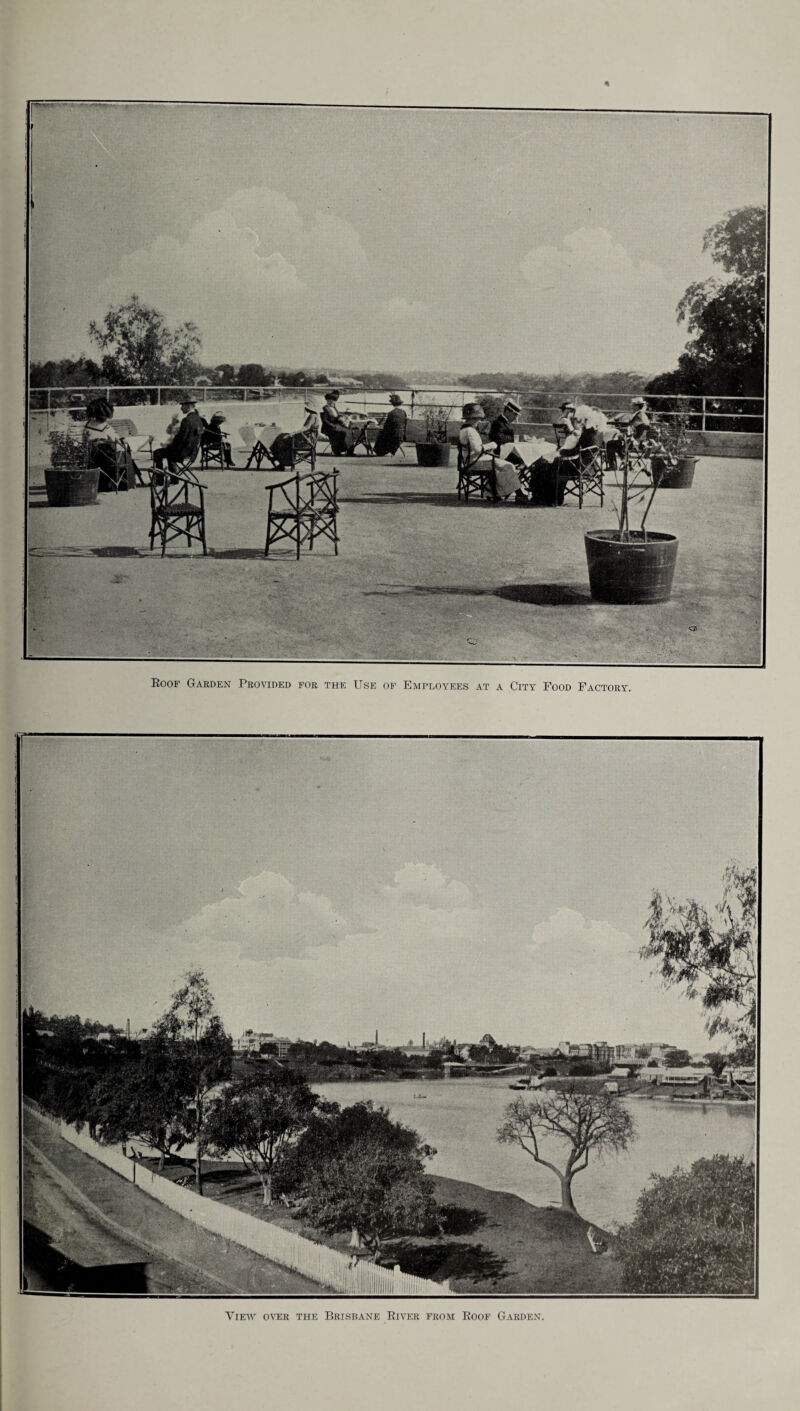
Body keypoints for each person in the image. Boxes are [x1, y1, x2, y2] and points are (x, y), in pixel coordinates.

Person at [459, 403, 526, 502]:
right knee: (508, 466)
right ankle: (516, 494)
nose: (479, 421)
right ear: (473, 418)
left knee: (500, 466)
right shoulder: (470, 431)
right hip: (475, 462)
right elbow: (478, 449)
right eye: (478, 419)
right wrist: (491, 445)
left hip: (469, 460)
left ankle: (492, 493)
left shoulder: (464, 429)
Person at [82, 397, 141, 490]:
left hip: (94, 458)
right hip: (109, 460)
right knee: (126, 451)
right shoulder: (105, 427)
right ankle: (129, 482)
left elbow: (85, 440)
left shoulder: (88, 424)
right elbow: (116, 440)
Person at [153, 398, 205, 472]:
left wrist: (169, 446)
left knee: (157, 453)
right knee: (169, 452)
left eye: (182, 405)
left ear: (188, 406)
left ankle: (159, 480)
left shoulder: (186, 420)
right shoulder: (198, 419)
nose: (181, 408)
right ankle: (174, 478)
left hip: (183, 452)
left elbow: (181, 438)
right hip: (192, 452)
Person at [320, 390, 356, 455]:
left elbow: (336, 415)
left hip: (336, 425)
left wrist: (342, 416)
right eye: (332, 400)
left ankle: (349, 450)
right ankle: (338, 450)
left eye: (334, 400)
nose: (333, 402)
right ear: (328, 400)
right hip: (329, 427)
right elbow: (325, 420)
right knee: (343, 432)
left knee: (349, 431)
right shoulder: (325, 408)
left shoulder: (333, 408)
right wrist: (333, 425)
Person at [372, 393, 408, 458]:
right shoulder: (404, 412)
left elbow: (387, 427)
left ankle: (380, 451)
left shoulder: (391, 413)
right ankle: (386, 450)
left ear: (392, 403)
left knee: (381, 434)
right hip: (401, 436)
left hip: (393, 437)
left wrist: (380, 427)